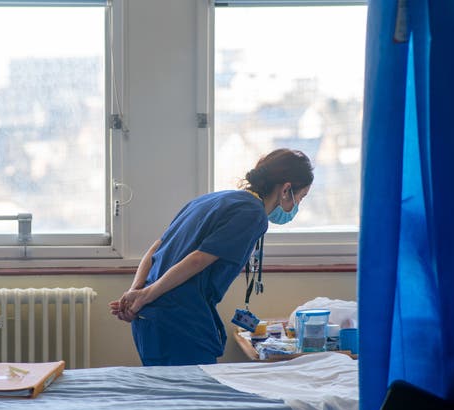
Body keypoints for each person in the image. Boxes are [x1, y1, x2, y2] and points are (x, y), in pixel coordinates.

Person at [109, 148, 314, 366]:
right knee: (194, 398)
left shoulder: (210, 200)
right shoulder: (253, 214)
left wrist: (137, 291)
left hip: (149, 320)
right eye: (300, 198)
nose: (297, 206)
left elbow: (156, 247)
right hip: (179, 320)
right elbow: (198, 259)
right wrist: (144, 295)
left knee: (168, 396)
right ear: (286, 190)